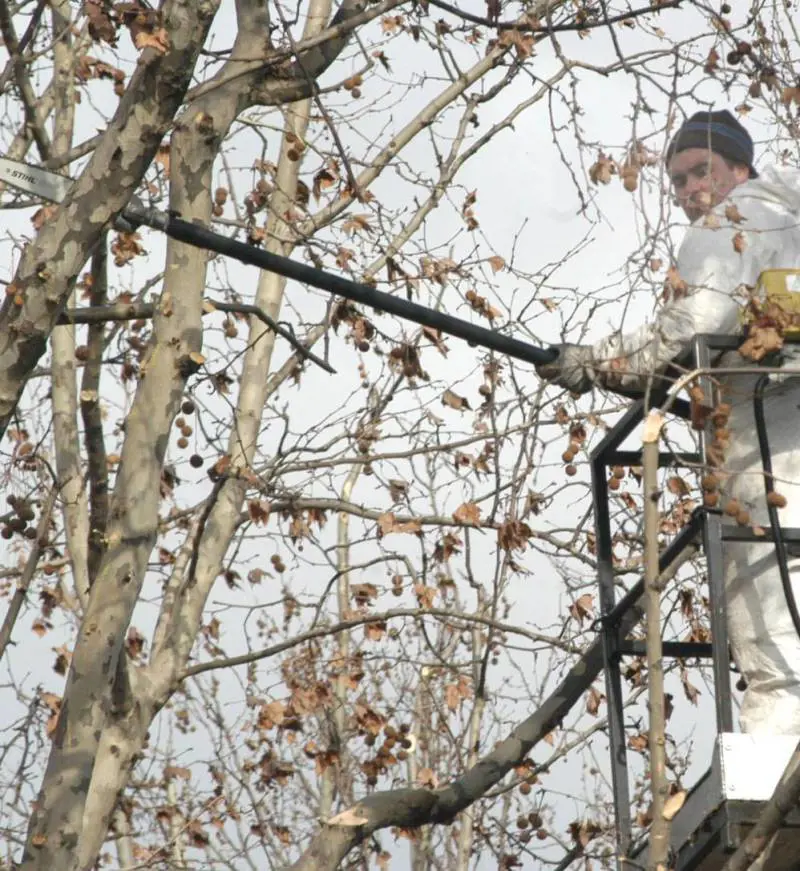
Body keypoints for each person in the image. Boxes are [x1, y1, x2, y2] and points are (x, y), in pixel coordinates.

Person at [537, 110, 800, 735]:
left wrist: (596, 361)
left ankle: (781, 744)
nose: (690, 193)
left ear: (739, 168)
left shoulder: (730, 222)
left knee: (772, 603)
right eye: (678, 183)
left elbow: (697, 322)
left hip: (770, 442)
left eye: (700, 172)